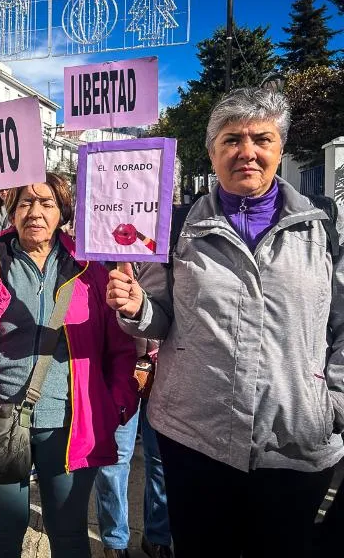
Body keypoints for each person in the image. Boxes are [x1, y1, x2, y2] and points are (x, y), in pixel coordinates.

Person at [106, 87, 344, 557]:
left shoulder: (324, 227)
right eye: (232, 139)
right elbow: (160, 317)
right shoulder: (175, 227)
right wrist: (136, 309)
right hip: (195, 439)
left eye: (262, 138)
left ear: (280, 149)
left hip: (294, 443)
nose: (247, 152)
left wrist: (332, 404)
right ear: (212, 152)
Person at [0, 172, 138, 558]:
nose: (35, 212)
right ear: (11, 211)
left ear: (62, 213)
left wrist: (117, 403)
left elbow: (120, 349)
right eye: (24, 202)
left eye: (47, 203)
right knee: (5, 524)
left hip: (69, 423)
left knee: (67, 529)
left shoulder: (90, 271)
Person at [95, 337, 172, 558]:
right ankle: (115, 542)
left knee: (161, 459)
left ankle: (158, 537)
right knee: (115, 459)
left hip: (167, 369)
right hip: (120, 366)